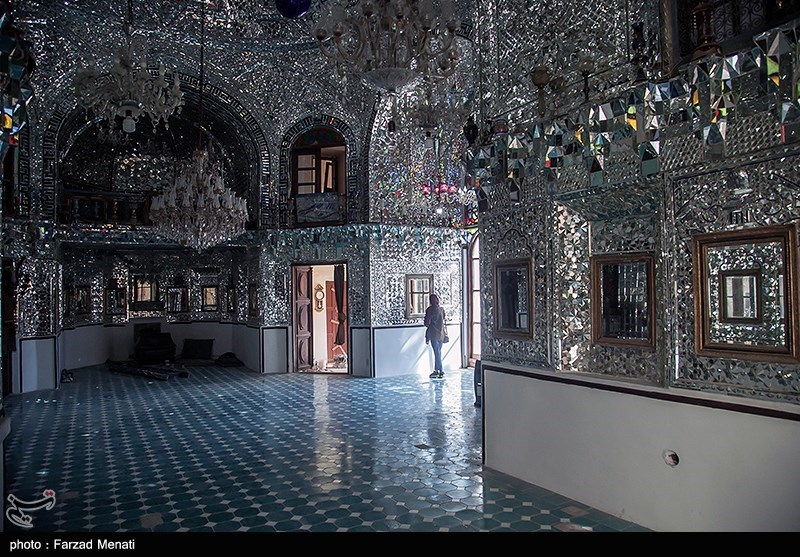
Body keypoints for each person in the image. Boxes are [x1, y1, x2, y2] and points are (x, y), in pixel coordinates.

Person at [424, 294, 447, 379]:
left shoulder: (430, 310)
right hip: (441, 334)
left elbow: (427, 323)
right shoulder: (441, 309)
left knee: (437, 353)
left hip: (433, 334)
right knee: (438, 353)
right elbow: (443, 319)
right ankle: (437, 370)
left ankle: (440, 371)